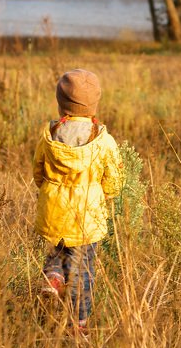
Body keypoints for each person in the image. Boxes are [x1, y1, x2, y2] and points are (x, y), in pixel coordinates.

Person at [33, 69, 124, 334]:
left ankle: (53, 278)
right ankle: (78, 323)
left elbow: (38, 170)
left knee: (57, 251)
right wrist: (106, 194)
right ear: (94, 104)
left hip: (54, 209)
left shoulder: (50, 135)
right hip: (87, 215)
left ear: (61, 103)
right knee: (83, 268)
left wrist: (48, 190)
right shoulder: (103, 140)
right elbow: (114, 177)